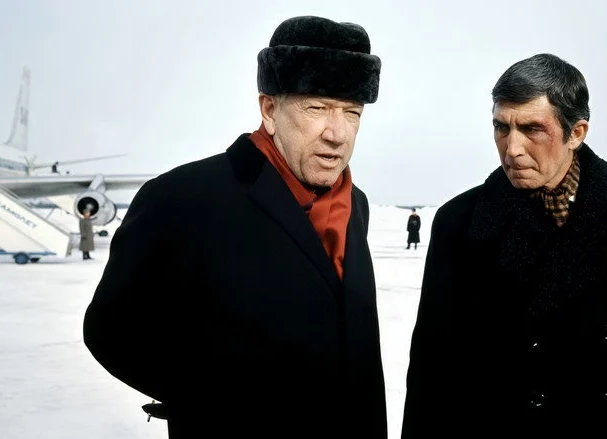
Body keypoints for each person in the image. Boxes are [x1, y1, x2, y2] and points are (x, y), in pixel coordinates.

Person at [83, 16, 386, 439]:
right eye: (316, 108)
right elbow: (112, 331)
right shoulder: (182, 198)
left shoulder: (357, 205)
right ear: (270, 110)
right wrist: (221, 402)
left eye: (351, 113)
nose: (337, 134)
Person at [401, 53, 607, 438]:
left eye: (531, 129)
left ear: (576, 133)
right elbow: (431, 366)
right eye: (501, 127)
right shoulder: (458, 222)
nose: (511, 148)